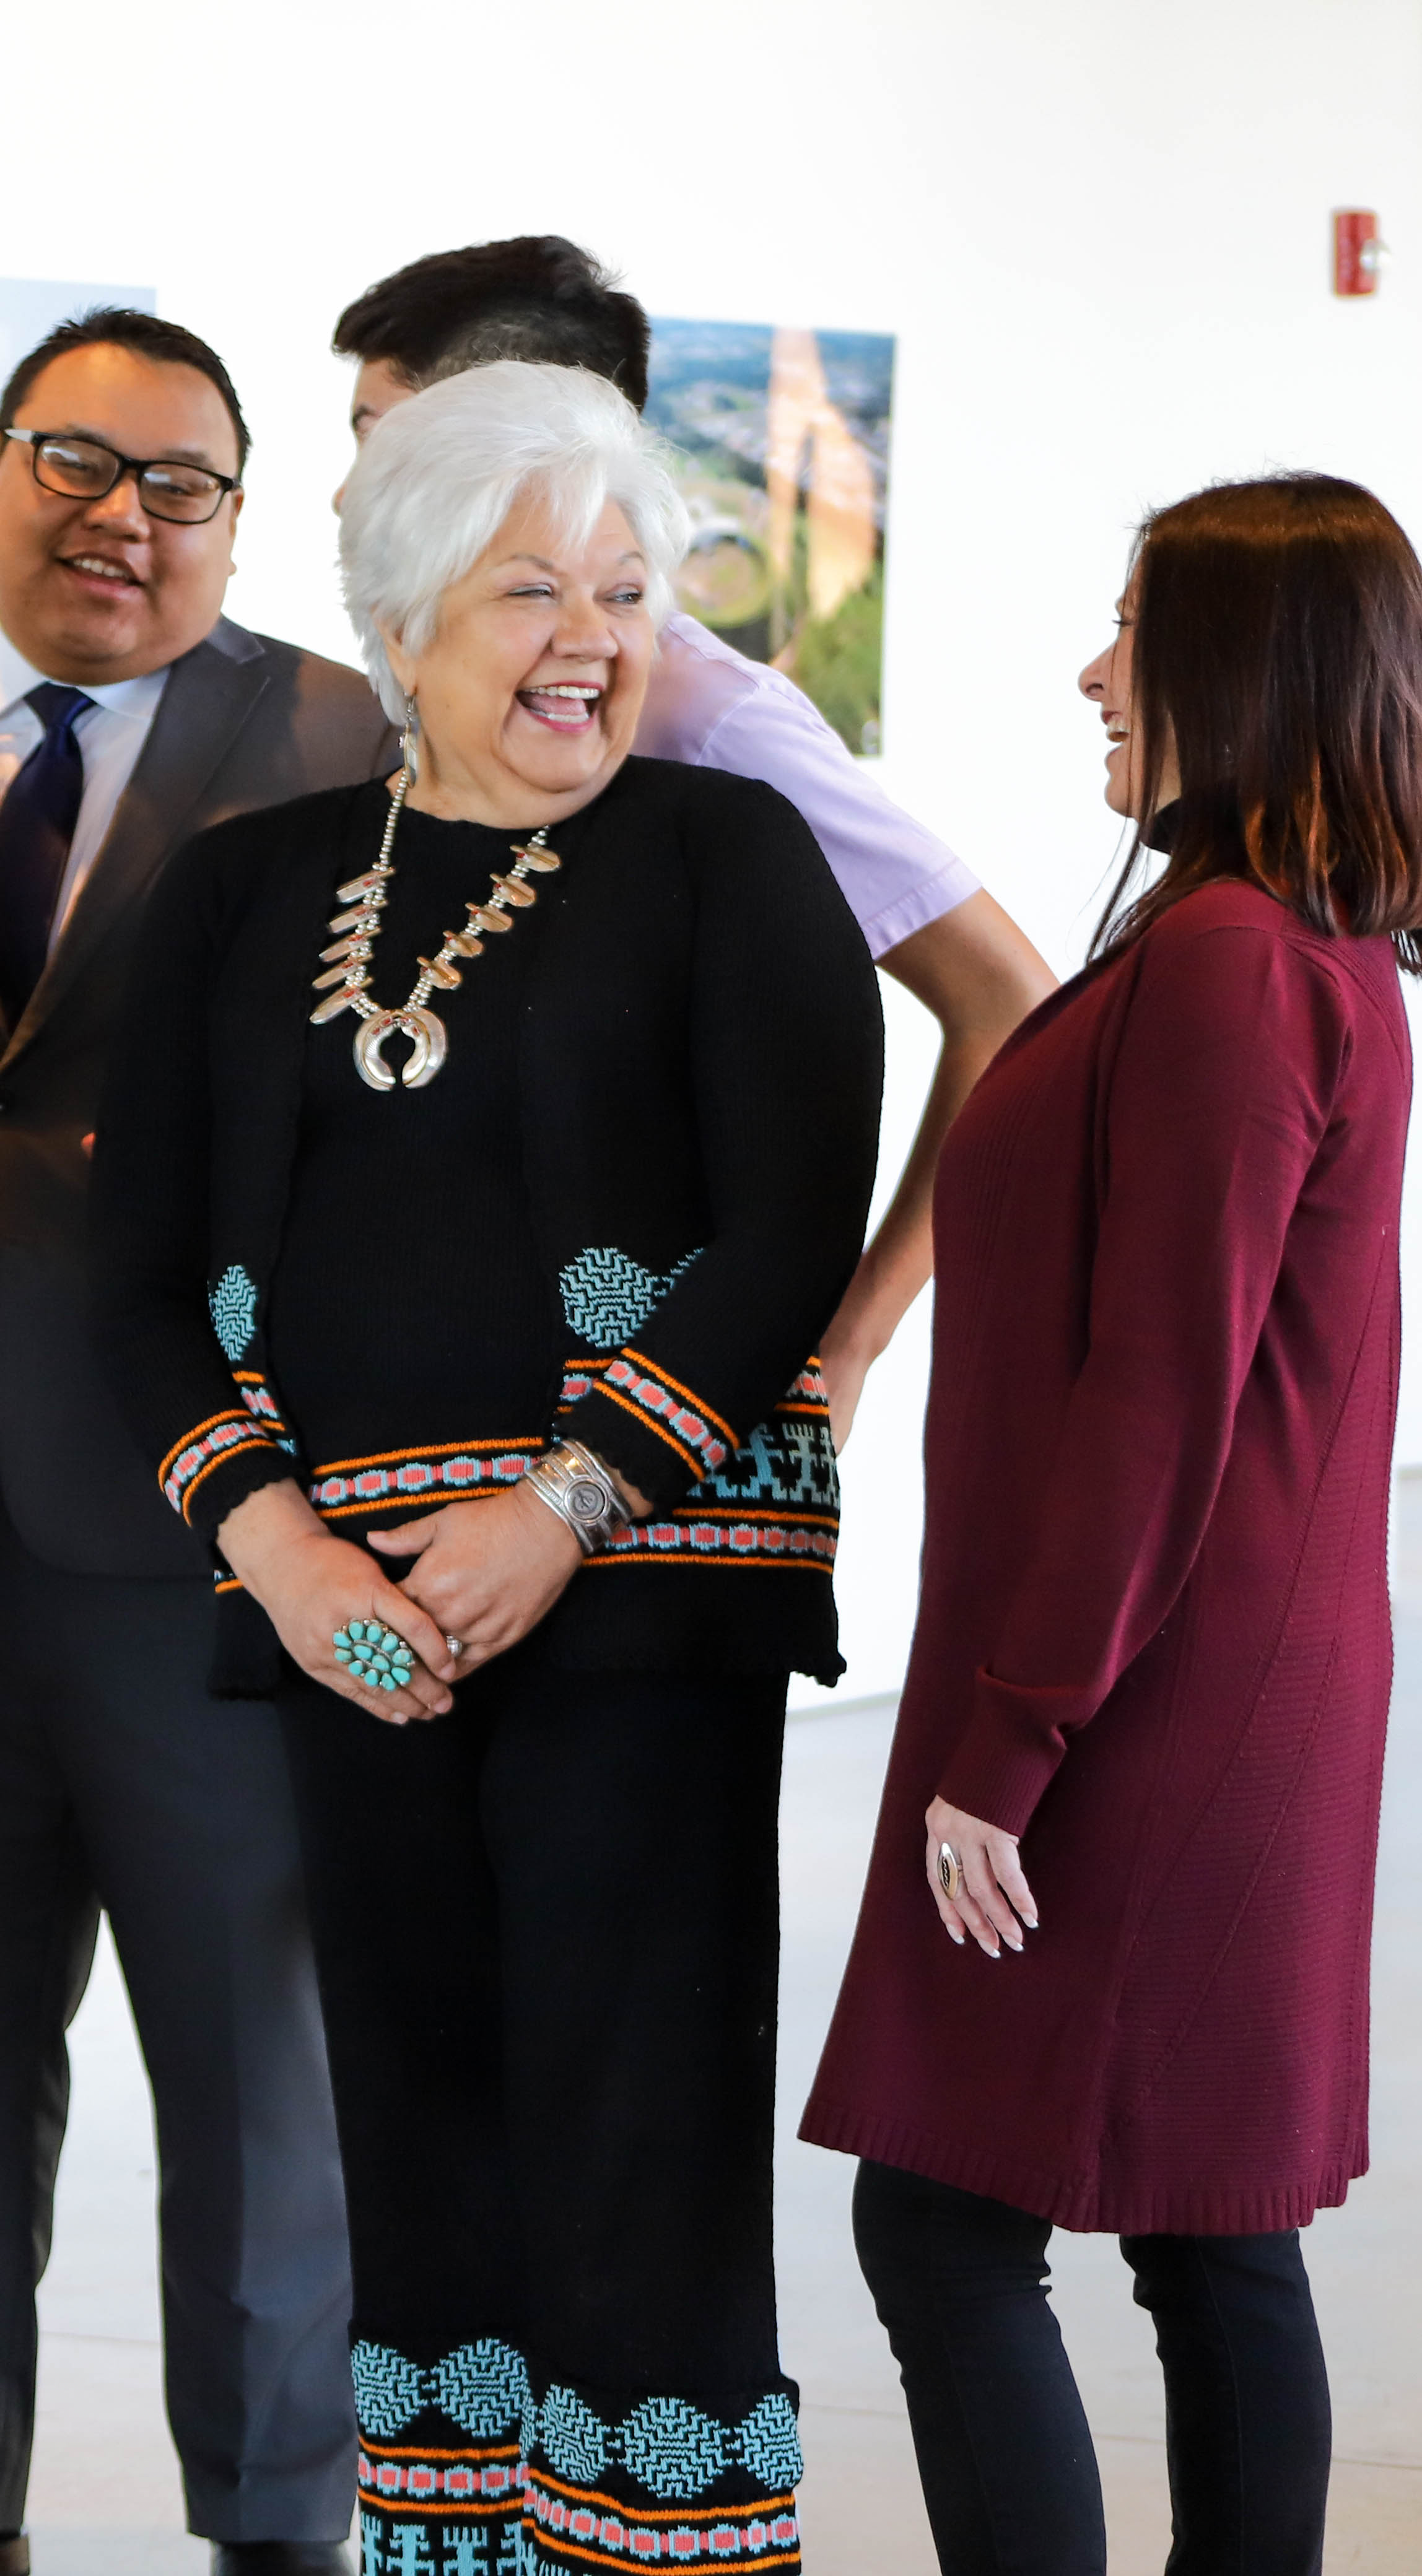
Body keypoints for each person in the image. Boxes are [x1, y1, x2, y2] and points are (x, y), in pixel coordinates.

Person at [90, 363, 880, 2576]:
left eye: (625, 589)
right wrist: (280, 1547)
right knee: (418, 2148)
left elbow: (793, 1219)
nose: (590, 636)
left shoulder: (729, 853)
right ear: (400, 616)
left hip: (641, 1614)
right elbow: (137, 1271)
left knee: (641, 2160)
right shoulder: (250, 898)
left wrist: (563, 1508)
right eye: (529, 585)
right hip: (353, 1635)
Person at [0, 308, 390, 2576]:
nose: (121, 515)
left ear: (241, 513)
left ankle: (276, 2518)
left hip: (218, 1521)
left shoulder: (342, 734)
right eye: (75, 460)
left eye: (183, 483)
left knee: (256, 2071)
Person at [800, 474, 1422, 2576]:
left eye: (1132, 631)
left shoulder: (1241, 965)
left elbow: (1162, 1388)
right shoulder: (1275, 943)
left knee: (964, 2219)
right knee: (1198, 2220)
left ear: (1250, 669)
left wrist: (1012, 1739)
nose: (1093, 670)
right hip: (1211, 1669)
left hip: (1152, 1696)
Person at [328, 236, 1058, 1440]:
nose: (349, 492)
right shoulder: (429, 703)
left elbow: (1011, 1004)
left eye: (381, 440)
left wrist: (849, 1340)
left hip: (653, 1417)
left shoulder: (705, 717)